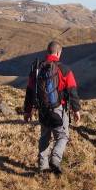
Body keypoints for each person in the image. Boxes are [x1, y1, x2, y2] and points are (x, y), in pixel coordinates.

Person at [23, 41, 81, 175]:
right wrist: (76, 110)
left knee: (44, 137)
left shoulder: (37, 69)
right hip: (58, 109)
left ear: (47, 52)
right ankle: (55, 158)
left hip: (42, 110)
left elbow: (30, 91)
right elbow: (72, 91)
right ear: (59, 53)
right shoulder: (64, 69)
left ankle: (43, 167)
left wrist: (27, 110)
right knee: (62, 136)